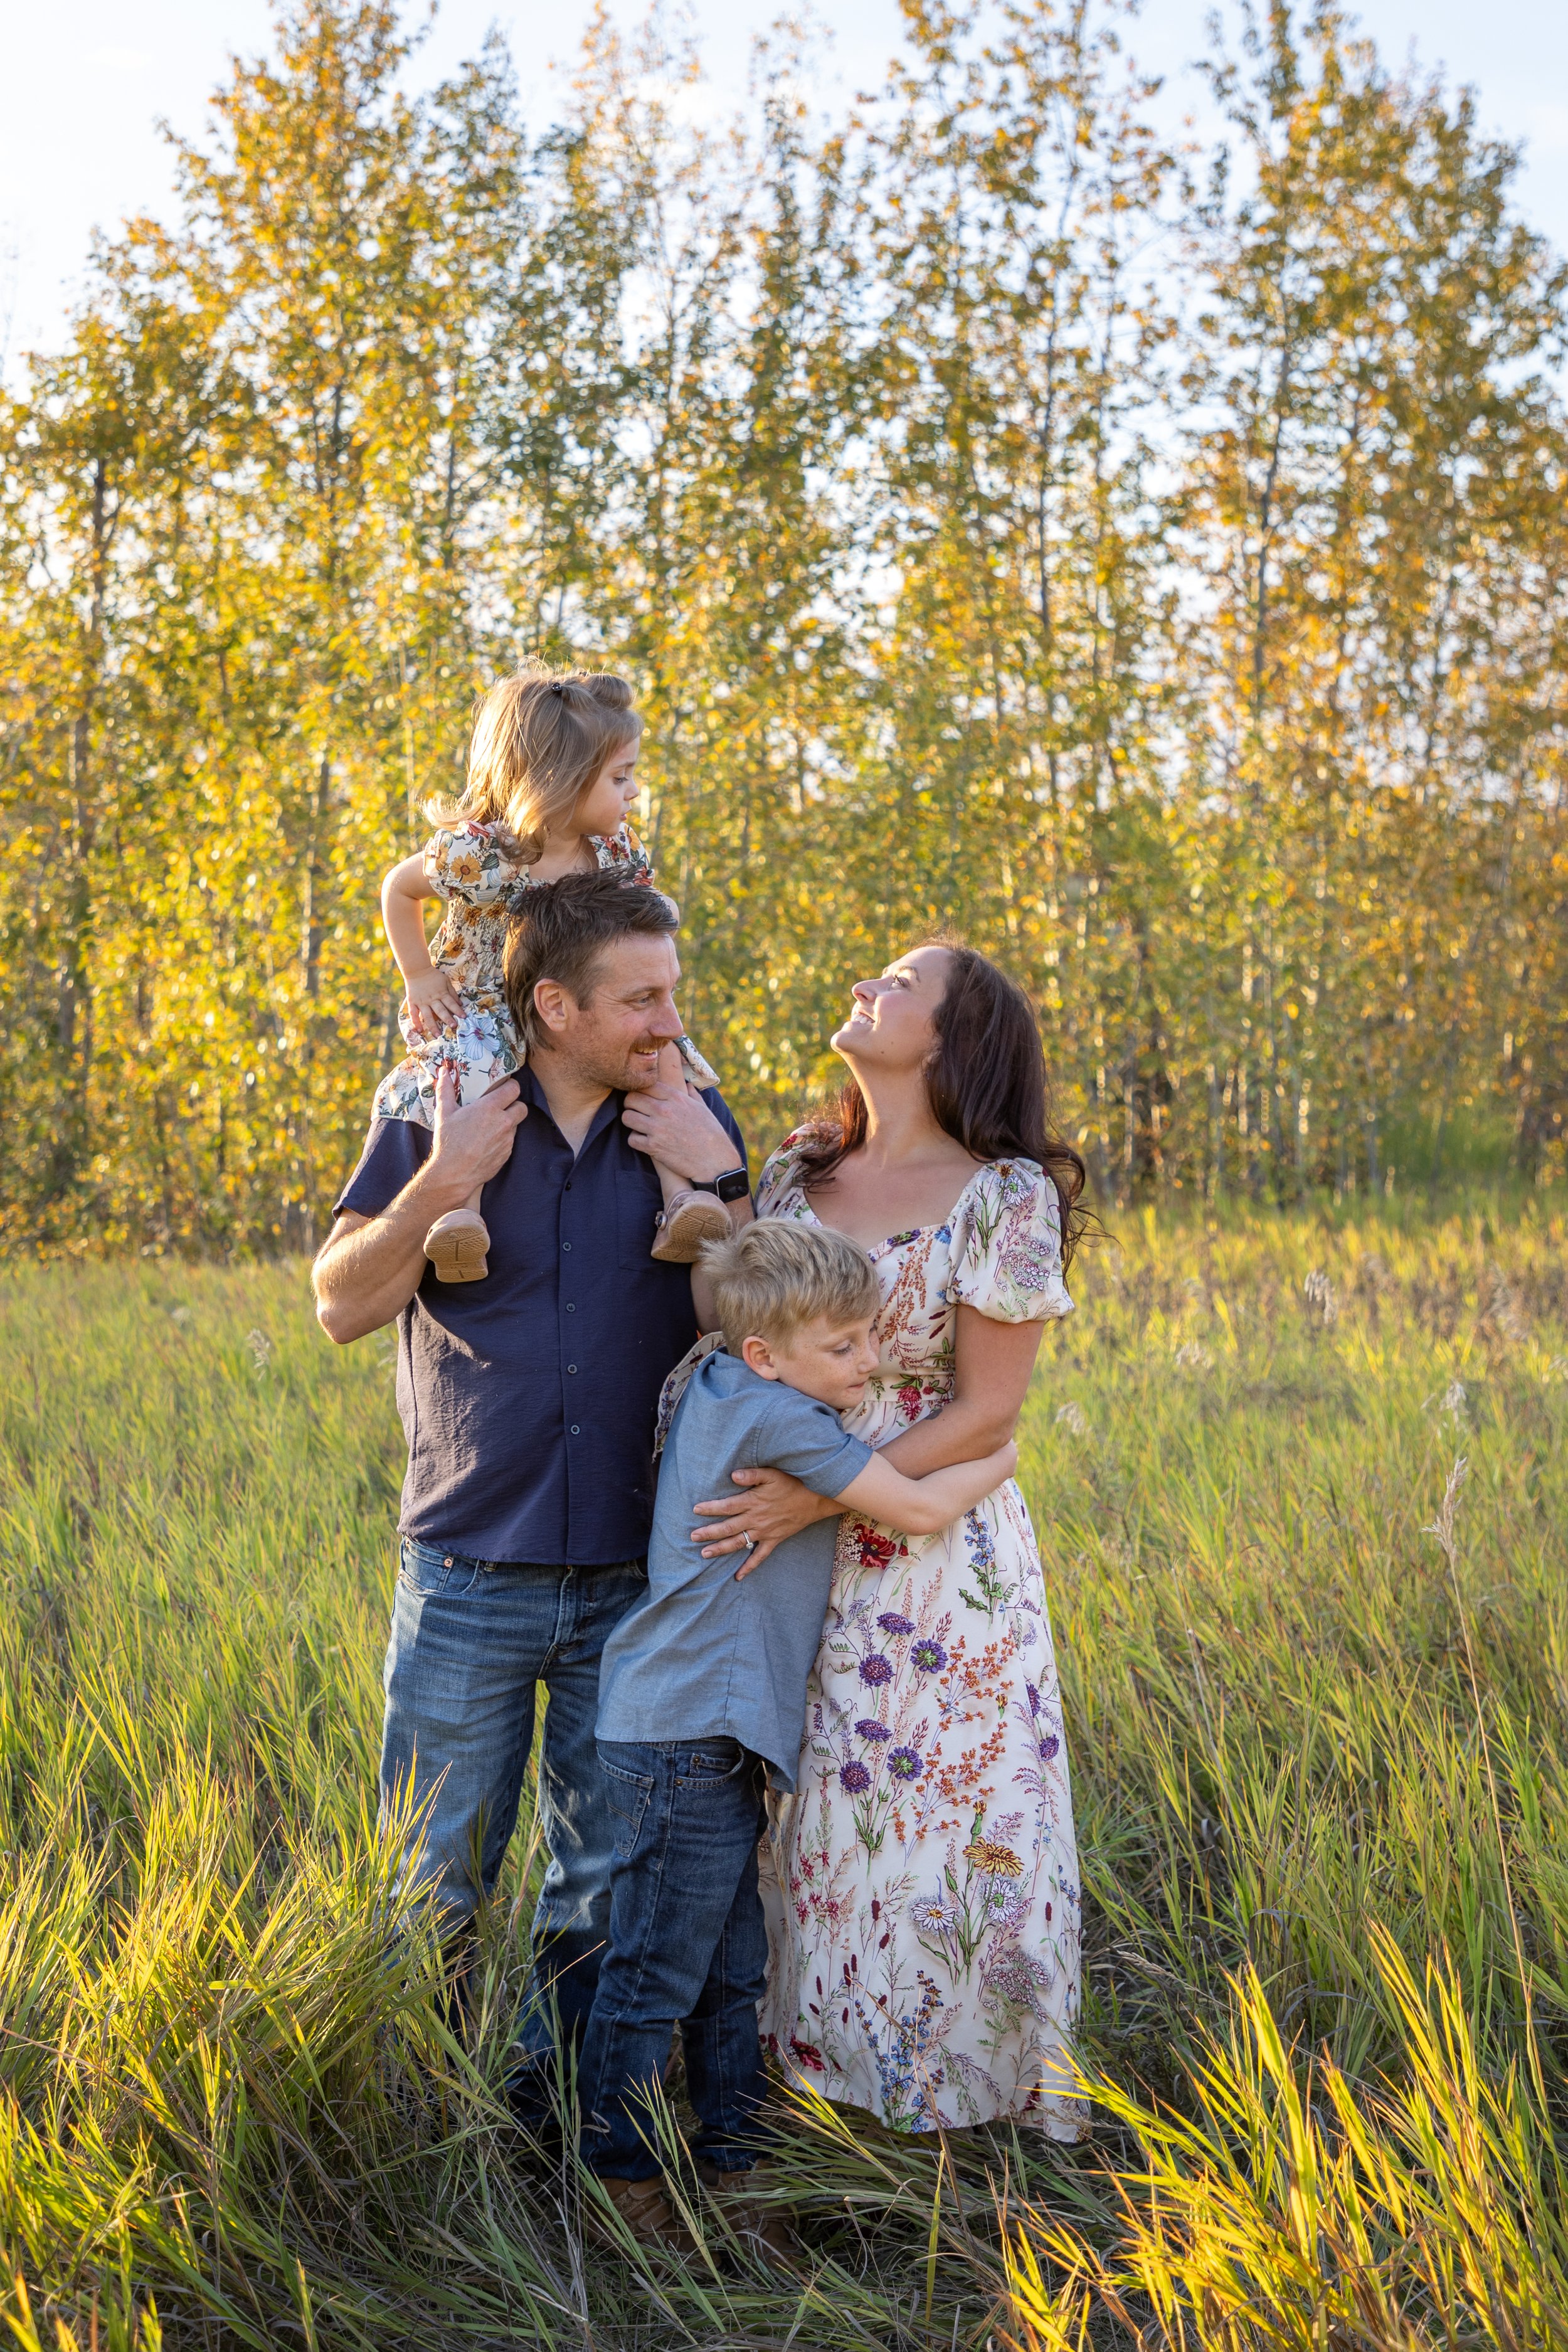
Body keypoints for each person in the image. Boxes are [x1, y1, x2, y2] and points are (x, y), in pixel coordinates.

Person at [311, 869, 753, 2074]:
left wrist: (721, 1182)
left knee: (600, 1882)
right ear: (556, 1006)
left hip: (639, 1580)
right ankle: (421, 2123)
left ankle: (543, 2121)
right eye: (643, 1000)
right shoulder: (438, 1110)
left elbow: (753, 1328)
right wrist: (440, 1183)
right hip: (466, 1574)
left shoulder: (689, 1120)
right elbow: (340, 1307)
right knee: (429, 1878)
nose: (672, 1022)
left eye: (672, 993)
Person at [688, 941, 1089, 2137]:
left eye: (902, 983)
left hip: (931, 1559)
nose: (867, 984)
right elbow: (732, 1334)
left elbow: (988, 1411)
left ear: (954, 1037)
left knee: (949, 1821)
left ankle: (961, 2108)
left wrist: (822, 1496)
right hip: (782, 1552)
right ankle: (813, 2103)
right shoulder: (795, 1174)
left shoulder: (1004, 1194)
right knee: (810, 1824)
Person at [579, 1220, 1018, 2255]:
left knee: (732, 1976)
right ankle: (618, 2178)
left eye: (870, 1336)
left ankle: (738, 2170)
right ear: (765, 1352)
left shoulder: (730, 1384)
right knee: (656, 1975)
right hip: (687, 1728)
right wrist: (1000, 1452)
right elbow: (914, 1507)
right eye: (844, 1345)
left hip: (705, 1730)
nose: (869, 1362)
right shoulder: (779, 1415)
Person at [375, 666, 729, 1281]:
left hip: (583, 1011)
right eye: (620, 777)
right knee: (474, 1084)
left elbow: (643, 916)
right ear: (560, 781)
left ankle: (680, 1201)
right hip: (491, 1007)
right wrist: (419, 975)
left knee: (662, 1062)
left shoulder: (614, 852)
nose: (634, 791)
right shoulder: (485, 854)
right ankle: (462, 1216)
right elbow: (398, 889)